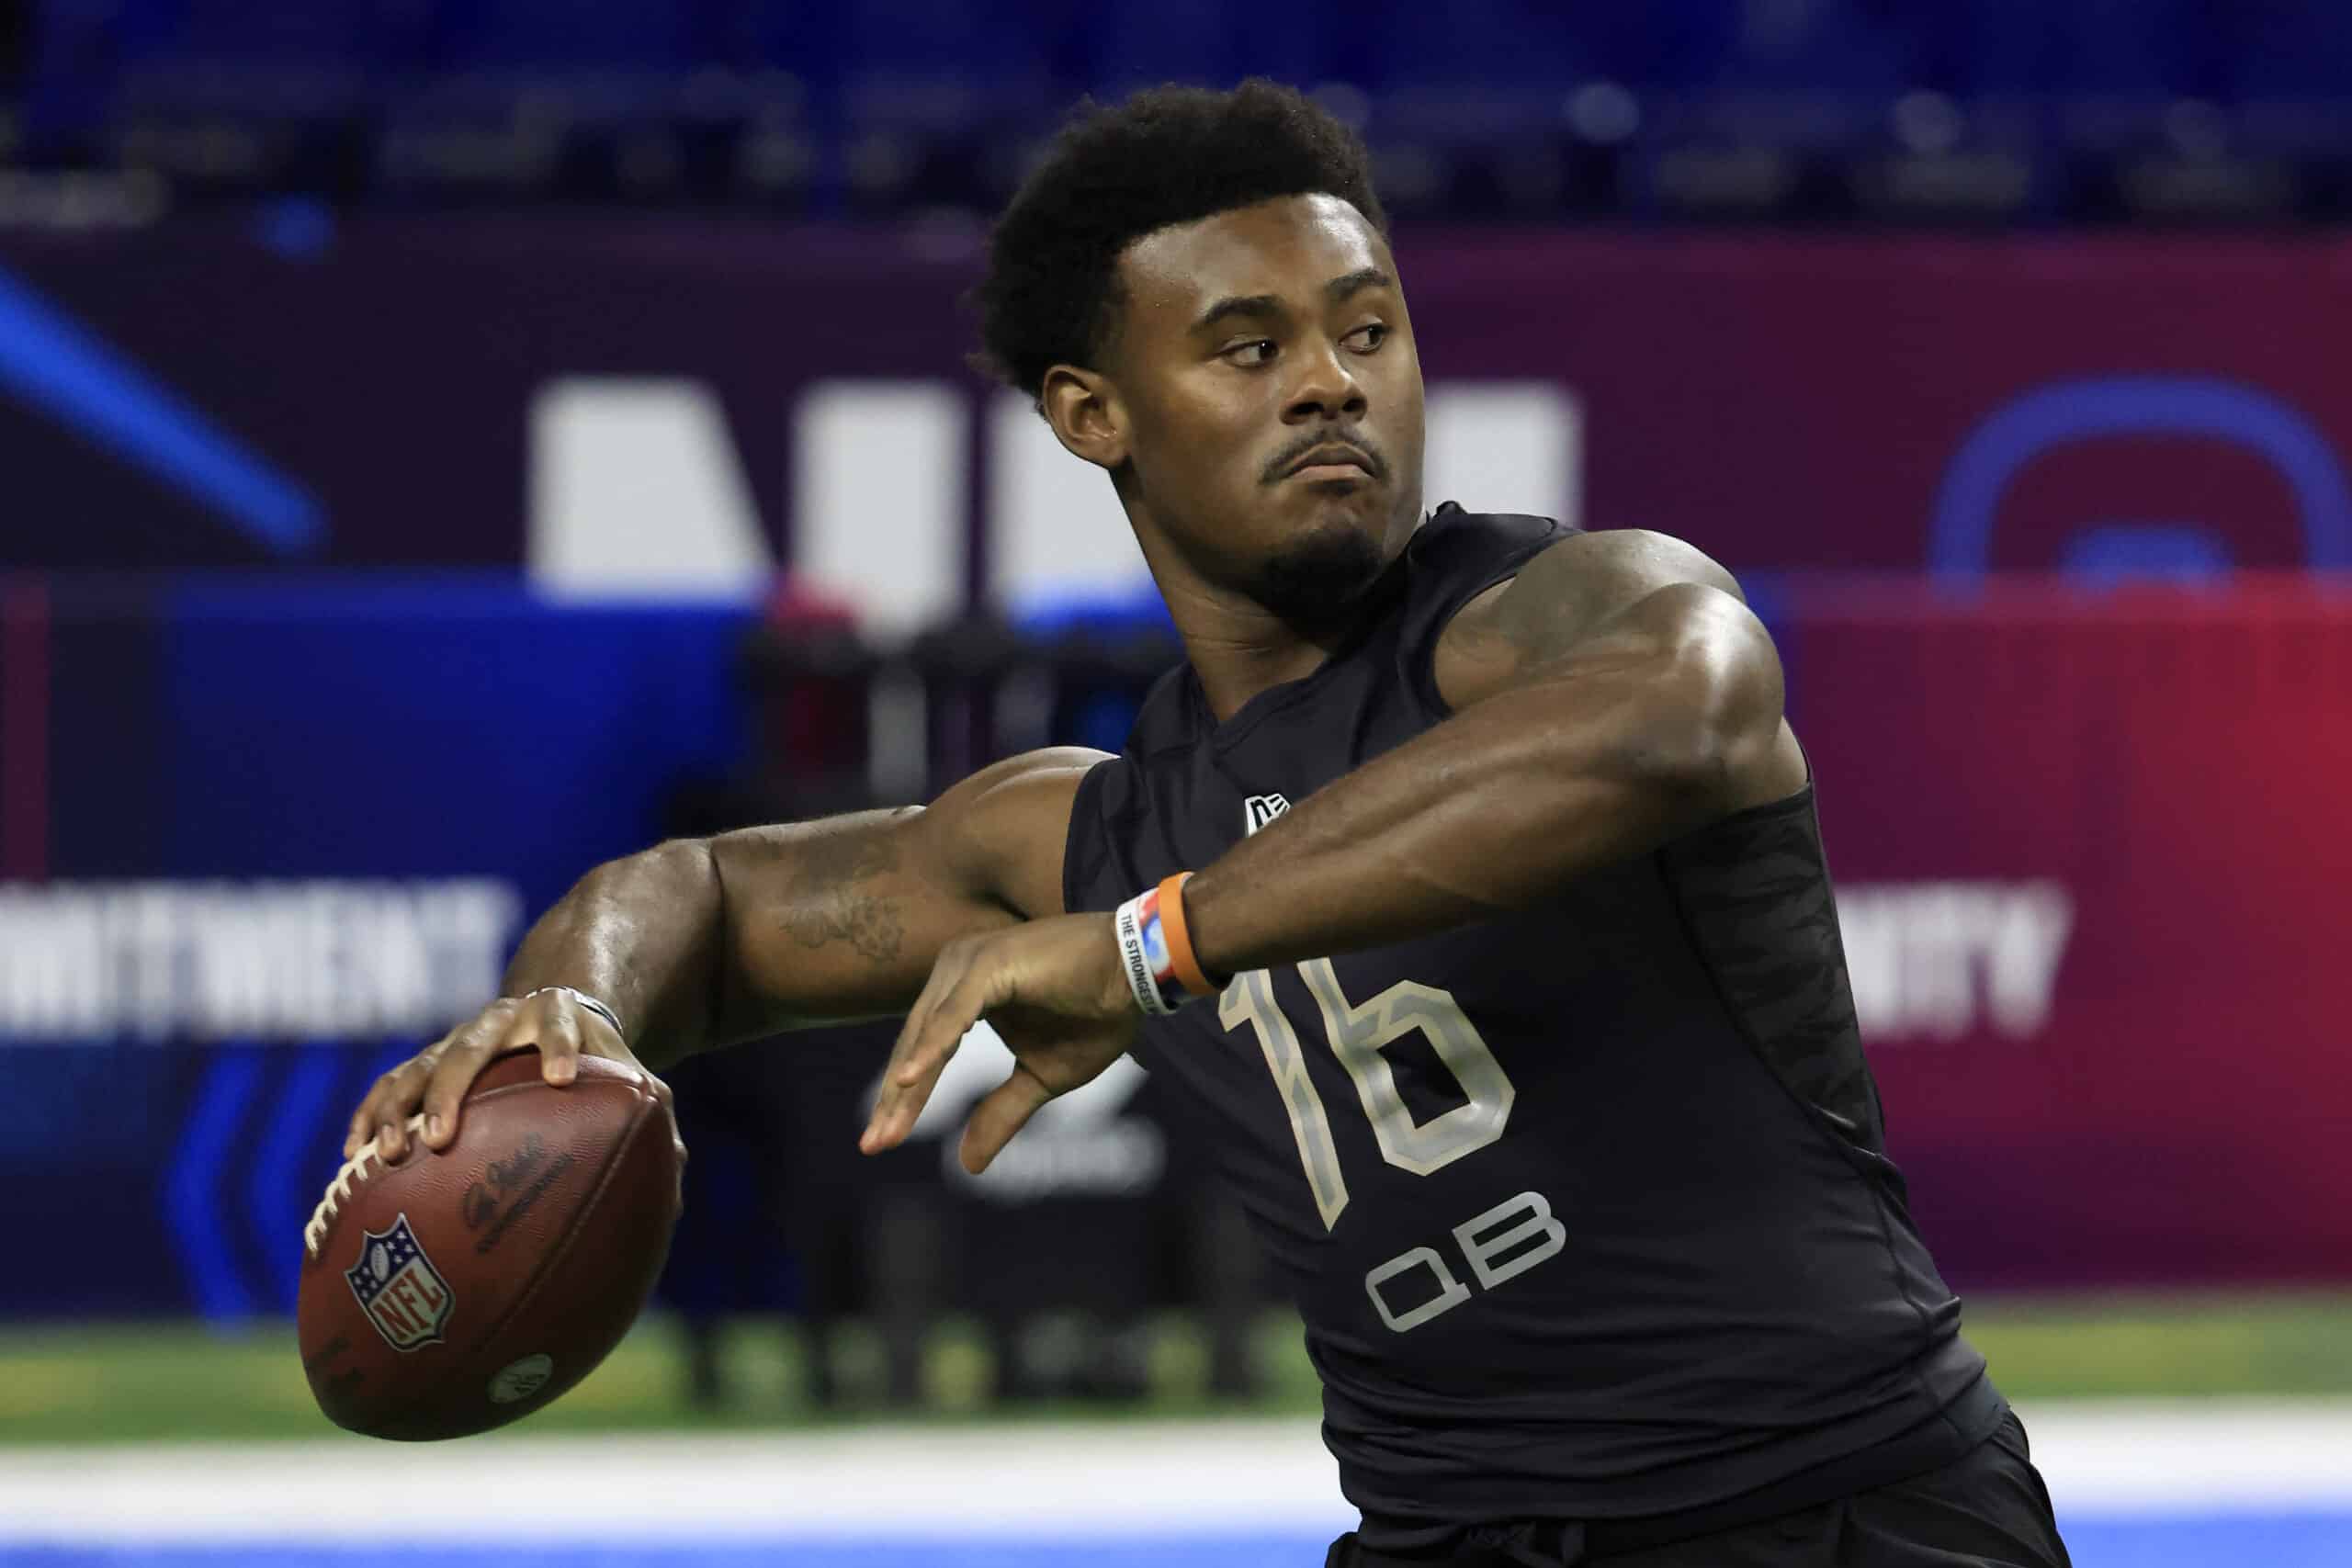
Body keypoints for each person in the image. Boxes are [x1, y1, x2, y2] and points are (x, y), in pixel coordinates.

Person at [344, 81, 2070, 1568]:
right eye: (1250, 347)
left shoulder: (1551, 611)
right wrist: (566, 1003)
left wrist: (1153, 946)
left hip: (1839, 1510)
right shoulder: (1089, 828)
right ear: (1091, 414)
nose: (1331, 383)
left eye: (1367, 328)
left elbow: (1683, 713)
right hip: (1447, 1536)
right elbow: (698, 896)